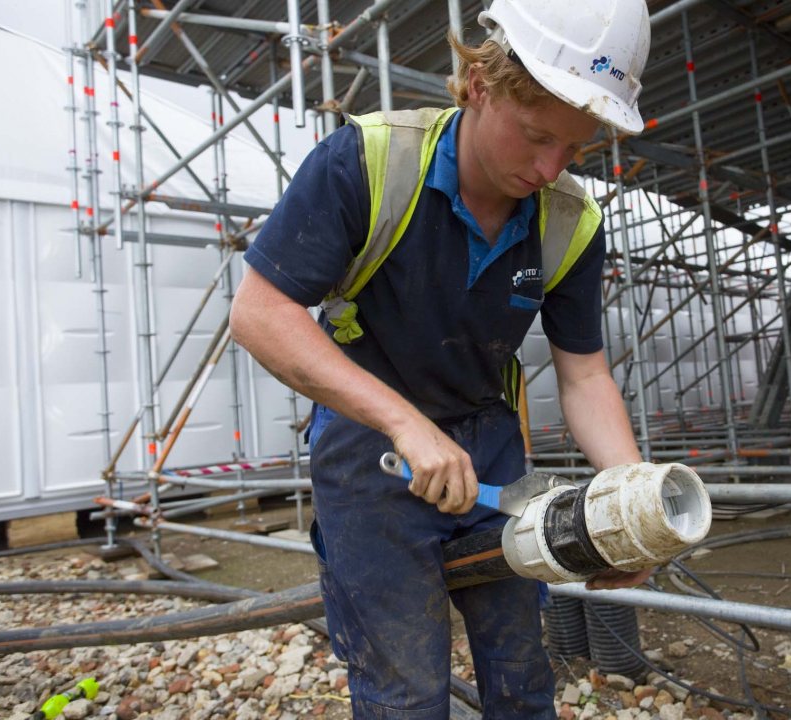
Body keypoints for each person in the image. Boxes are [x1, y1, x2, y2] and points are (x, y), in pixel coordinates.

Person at [229, 0, 652, 717]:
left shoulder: (568, 221)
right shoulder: (367, 162)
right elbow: (260, 315)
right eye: (537, 135)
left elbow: (584, 374)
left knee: (523, 675)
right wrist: (403, 422)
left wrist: (629, 496)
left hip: (490, 447)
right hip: (372, 450)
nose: (551, 168)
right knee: (406, 691)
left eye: (575, 150)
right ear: (480, 85)